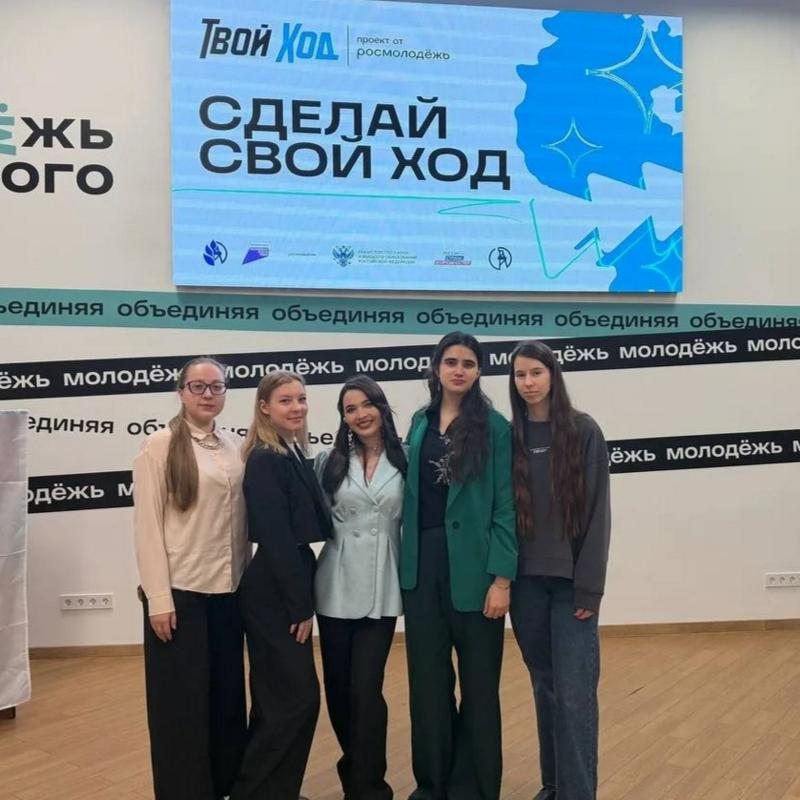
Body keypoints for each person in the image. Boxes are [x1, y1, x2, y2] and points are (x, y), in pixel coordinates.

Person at [400, 331, 517, 800]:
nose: (459, 370)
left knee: (479, 686)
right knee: (428, 686)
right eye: (451, 361)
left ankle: (475, 787)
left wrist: (502, 579)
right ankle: (432, 785)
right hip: (421, 569)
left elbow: (506, 506)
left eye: (468, 363)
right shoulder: (419, 422)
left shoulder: (496, 427)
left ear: (479, 371)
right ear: (436, 367)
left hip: (476, 570)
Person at [133, 356, 249, 800]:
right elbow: (147, 527)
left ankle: (225, 785)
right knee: (180, 708)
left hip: (229, 592)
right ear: (180, 392)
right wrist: (158, 599)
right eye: (198, 386)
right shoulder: (159, 445)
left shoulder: (234, 445)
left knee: (226, 700)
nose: (208, 394)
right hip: (181, 596)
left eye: (216, 386)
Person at [508, 340, 611, 800]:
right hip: (525, 587)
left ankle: (578, 793)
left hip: (572, 589)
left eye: (536, 372)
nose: (528, 382)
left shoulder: (584, 431)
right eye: (520, 375)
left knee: (574, 697)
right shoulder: (509, 436)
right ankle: (553, 787)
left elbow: (597, 514)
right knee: (545, 689)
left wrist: (589, 589)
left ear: (553, 375)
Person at [231, 371, 331, 800]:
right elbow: (274, 537)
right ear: (264, 407)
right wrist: (299, 605)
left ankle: (277, 791)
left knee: (282, 699)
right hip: (274, 587)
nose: (297, 407)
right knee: (295, 699)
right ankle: (254, 791)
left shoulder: (291, 451)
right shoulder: (265, 460)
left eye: (301, 399)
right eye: (286, 400)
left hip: (288, 575)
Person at [314, 374, 407, 800]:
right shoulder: (328, 462)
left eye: (367, 404)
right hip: (334, 585)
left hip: (381, 587)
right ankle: (353, 772)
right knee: (338, 691)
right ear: (343, 418)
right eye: (350, 409)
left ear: (381, 407)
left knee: (366, 690)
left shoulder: (406, 458)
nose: (360, 414)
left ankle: (371, 786)